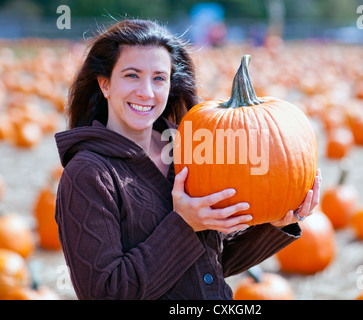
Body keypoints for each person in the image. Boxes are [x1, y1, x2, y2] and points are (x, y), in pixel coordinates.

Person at [54, 19, 321, 300]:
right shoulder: (88, 174)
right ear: (105, 84)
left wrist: (277, 224)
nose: (147, 91)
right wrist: (184, 224)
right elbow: (106, 293)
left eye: (159, 78)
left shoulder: (191, 146)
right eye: (132, 75)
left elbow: (213, 261)